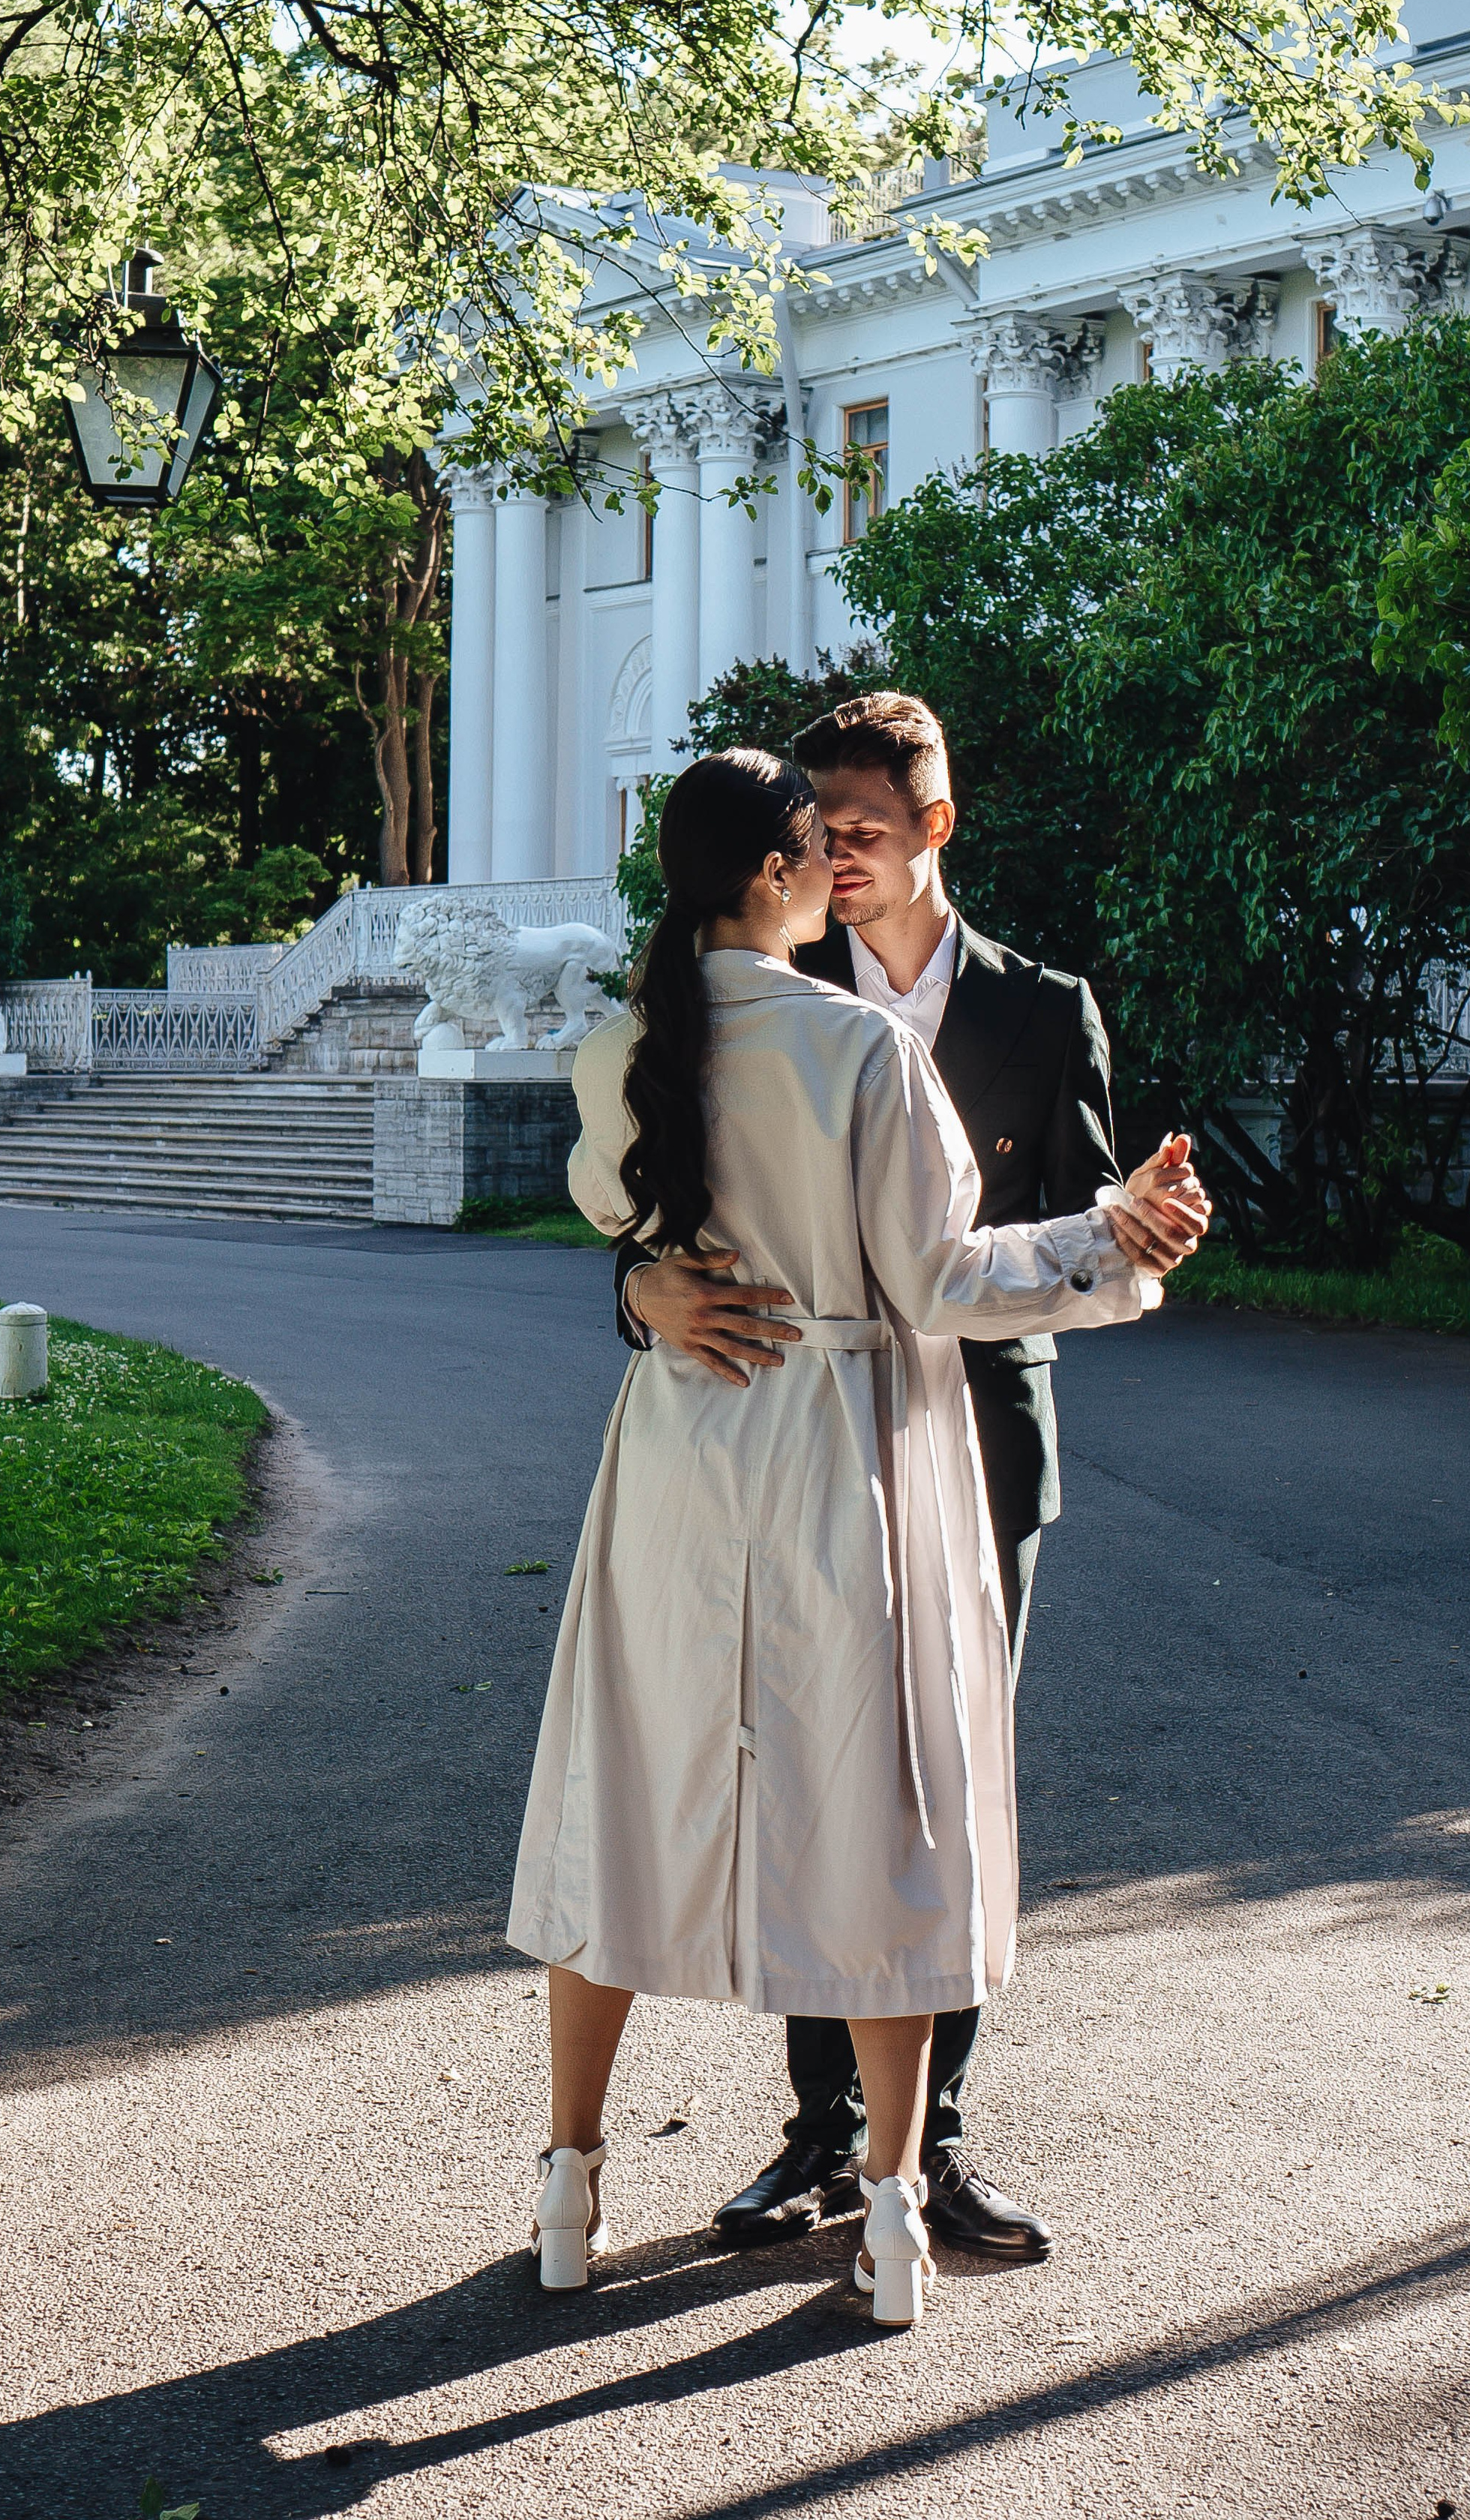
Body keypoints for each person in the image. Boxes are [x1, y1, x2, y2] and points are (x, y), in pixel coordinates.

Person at [510, 748, 1205, 2325]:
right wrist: (1112, 1239)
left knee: (623, 1786)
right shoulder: (859, 1052)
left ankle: (568, 2180)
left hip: (681, 1460)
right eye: (815, 846)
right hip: (845, 1449)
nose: (837, 867)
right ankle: (889, 2212)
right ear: (770, 870)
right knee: (886, 1806)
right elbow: (942, 1284)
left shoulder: (621, 1049)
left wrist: (643, 1286)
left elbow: (624, 1220)